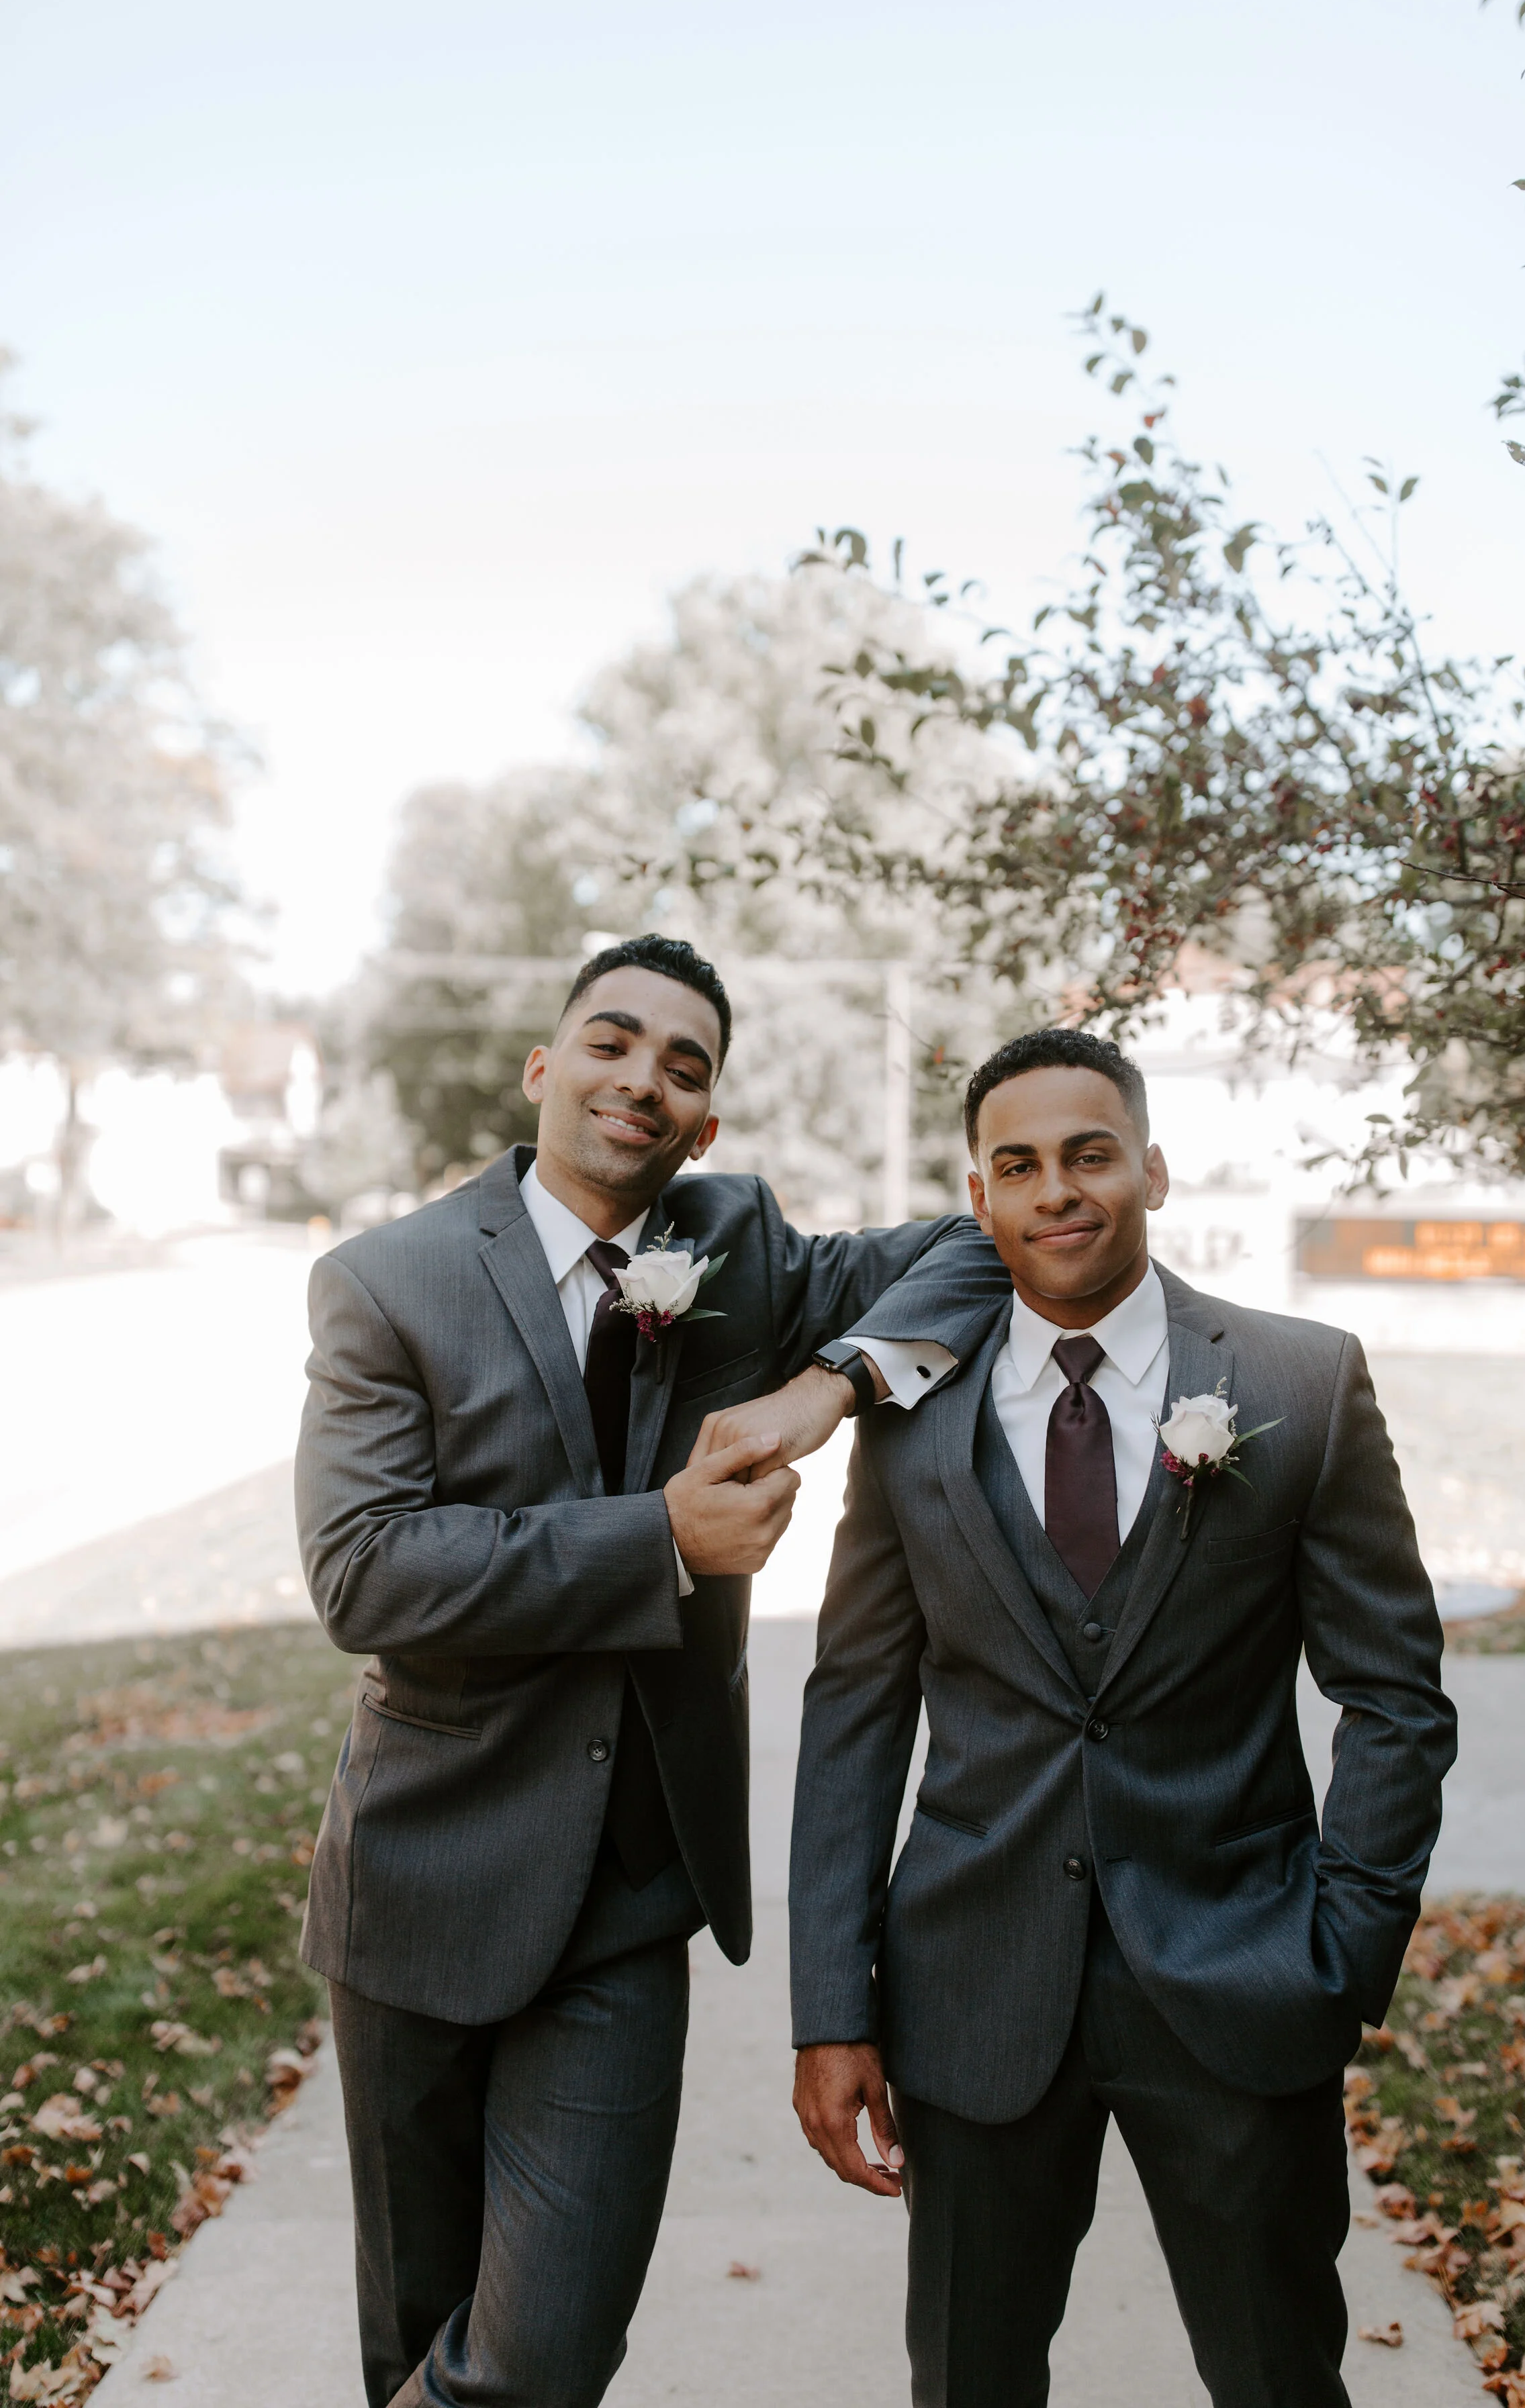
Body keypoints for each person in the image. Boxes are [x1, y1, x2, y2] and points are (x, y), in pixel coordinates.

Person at [294, 934, 997, 2408]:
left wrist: (826, 1386)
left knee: (543, 2352)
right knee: (415, 2335)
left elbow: (983, 1243)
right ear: (542, 1067)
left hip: (626, 1895)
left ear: (706, 1122)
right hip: (422, 1878)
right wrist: (659, 1540)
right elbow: (364, 1571)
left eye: (685, 1066)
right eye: (612, 1043)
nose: (643, 1080)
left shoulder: (743, 1245)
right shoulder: (388, 1281)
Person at [786, 1025, 1458, 2408]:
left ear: (1152, 1168)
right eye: (1020, 1165)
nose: (1058, 1192)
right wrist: (830, 2010)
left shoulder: (1299, 1381)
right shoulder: (910, 1415)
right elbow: (855, 1705)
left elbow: (1393, 1695)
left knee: (1278, 2377)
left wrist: (1346, 1946)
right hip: (972, 1994)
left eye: (1090, 1156)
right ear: (979, 1197)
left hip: (1244, 1973)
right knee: (970, 2380)